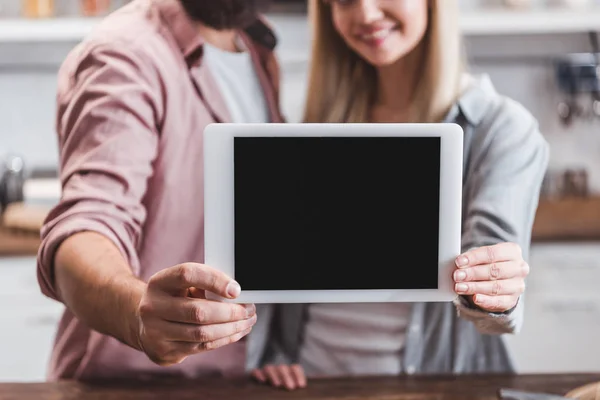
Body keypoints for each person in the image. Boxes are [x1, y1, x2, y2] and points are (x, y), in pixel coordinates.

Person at [252, 0, 550, 390]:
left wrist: (496, 289)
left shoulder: (501, 129)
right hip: (310, 383)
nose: (366, 14)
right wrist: (273, 357)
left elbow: (496, 304)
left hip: (428, 389)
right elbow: (281, 269)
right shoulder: (311, 121)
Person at [36, 0, 280, 381]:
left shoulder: (256, 48)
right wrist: (137, 313)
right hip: (131, 384)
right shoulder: (125, 55)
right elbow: (89, 223)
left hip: (235, 380)